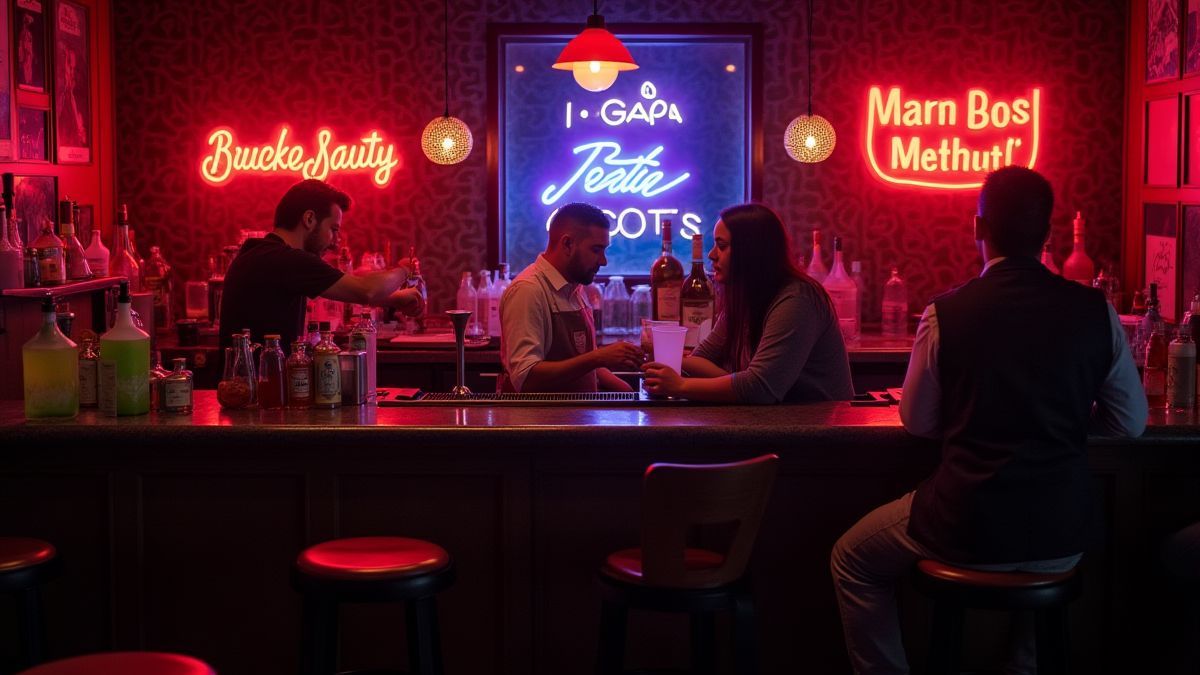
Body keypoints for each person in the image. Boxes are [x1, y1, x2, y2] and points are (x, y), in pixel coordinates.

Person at [830, 166, 1147, 675]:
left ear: (979, 229)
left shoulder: (946, 312)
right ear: (1047, 232)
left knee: (852, 559)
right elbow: (1129, 423)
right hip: (1062, 532)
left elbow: (918, 422)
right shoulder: (1095, 309)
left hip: (967, 523)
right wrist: (1061, 416)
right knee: (1037, 585)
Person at [641, 203, 853, 403]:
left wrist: (681, 386)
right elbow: (704, 359)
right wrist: (663, 358)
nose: (712, 254)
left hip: (822, 430)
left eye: (721, 246)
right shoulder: (746, 296)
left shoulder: (797, 300)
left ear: (750, 251)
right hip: (782, 423)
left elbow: (761, 387)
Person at [219, 179, 423, 352]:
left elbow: (346, 292)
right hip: (261, 392)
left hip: (249, 388)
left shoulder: (262, 253)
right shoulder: (287, 259)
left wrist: (394, 300)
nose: (336, 241)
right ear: (309, 219)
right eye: (333, 229)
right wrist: (405, 269)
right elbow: (366, 291)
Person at [499, 202, 643, 392]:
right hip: (538, 420)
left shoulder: (573, 287)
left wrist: (626, 391)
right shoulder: (528, 291)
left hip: (573, 418)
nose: (603, 261)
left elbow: (584, 363)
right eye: (596, 250)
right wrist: (598, 357)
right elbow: (526, 377)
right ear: (567, 244)